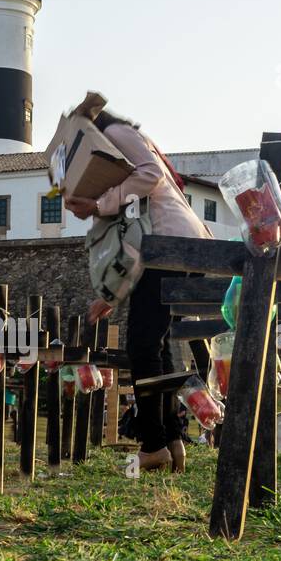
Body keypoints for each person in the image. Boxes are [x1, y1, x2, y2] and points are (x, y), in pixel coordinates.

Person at [70, 102, 210, 474]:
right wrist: (110, 294)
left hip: (168, 248)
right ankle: (170, 439)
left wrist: (101, 203)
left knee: (143, 346)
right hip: (173, 248)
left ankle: (154, 444)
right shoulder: (125, 139)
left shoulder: (116, 135)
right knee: (157, 348)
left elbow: (149, 176)